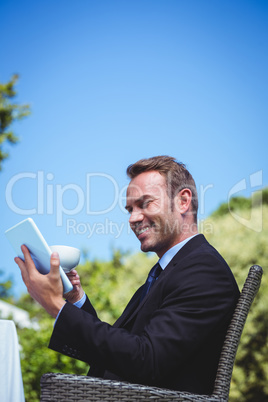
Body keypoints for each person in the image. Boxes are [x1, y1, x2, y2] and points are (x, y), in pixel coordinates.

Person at [15, 156, 239, 395]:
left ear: (183, 201)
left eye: (145, 204)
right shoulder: (168, 272)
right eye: (130, 209)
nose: (133, 218)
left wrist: (54, 304)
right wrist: (74, 300)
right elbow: (123, 348)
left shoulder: (203, 270)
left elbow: (146, 361)